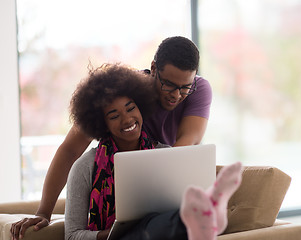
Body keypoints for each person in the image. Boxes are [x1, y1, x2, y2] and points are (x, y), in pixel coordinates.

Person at [10, 36, 212, 239]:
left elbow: (188, 144)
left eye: (185, 86)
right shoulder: (123, 93)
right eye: (169, 84)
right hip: (116, 189)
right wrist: (44, 212)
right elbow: (70, 150)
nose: (176, 95)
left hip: (159, 183)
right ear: (153, 68)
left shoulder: (198, 90)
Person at [59, 63, 239, 240]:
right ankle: (206, 216)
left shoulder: (165, 154)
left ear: (141, 108)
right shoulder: (84, 167)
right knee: (150, 226)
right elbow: (72, 235)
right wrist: (112, 234)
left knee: (163, 220)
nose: (127, 119)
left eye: (131, 108)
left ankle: (206, 214)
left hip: (161, 232)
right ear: (102, 124)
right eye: (114, 116)